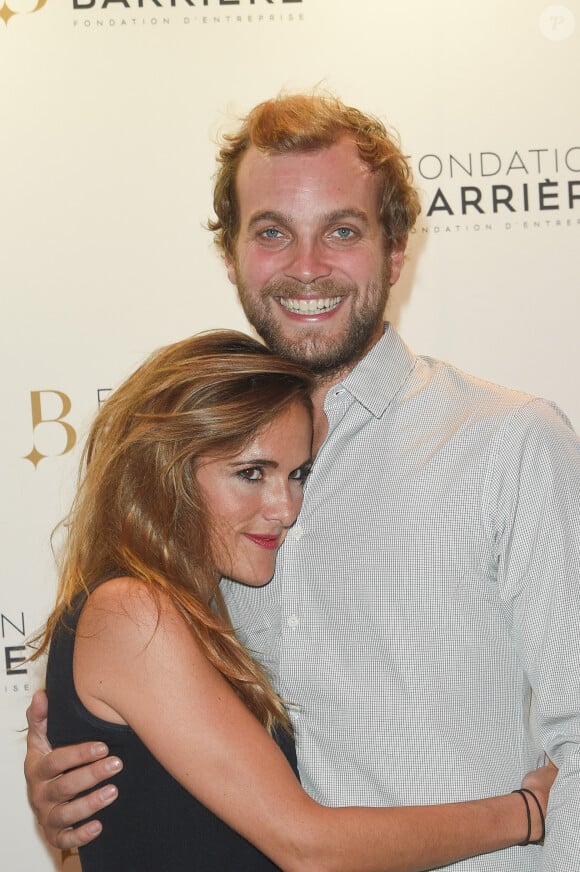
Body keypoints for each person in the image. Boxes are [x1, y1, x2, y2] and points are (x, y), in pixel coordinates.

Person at [25, 93, 580, 870]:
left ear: (395, 251)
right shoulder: (190, 485)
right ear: (231, 254)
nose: (307, 267)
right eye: (273, 232)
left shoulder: (509, 441)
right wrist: (87, 783)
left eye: (343, 231)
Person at [29, 328, 553, 872]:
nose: (285, 508)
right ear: (164, 471)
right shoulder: (133, 612)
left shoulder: (191, 607)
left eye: (297, 474)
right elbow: (307, 846)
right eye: (250, 474)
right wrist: (530, 811)